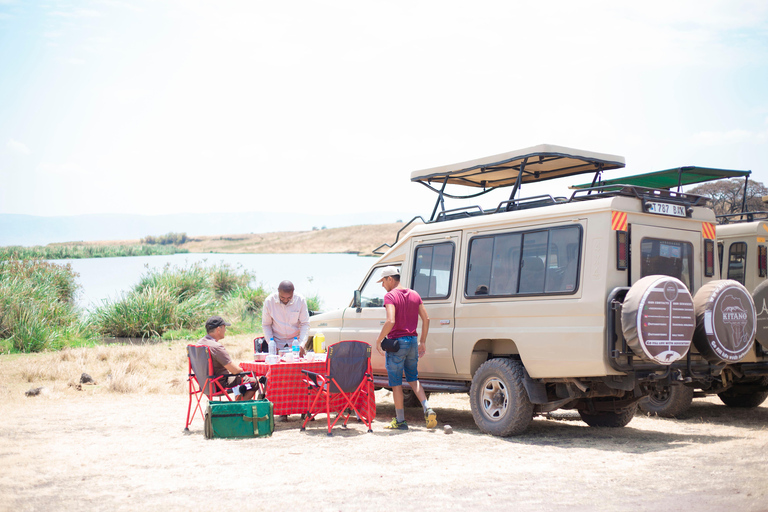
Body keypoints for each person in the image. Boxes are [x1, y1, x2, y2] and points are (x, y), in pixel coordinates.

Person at [374, 266, 437, 430]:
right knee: (413, 378)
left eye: (383, 282)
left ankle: (400, 420)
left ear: (390, 279)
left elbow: (390, 321)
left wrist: (379, 339)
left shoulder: (390, 296)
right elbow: (427, 319)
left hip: (397, 344)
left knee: (396, 383)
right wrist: (422, 342)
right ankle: (427, 408)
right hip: (412, 342)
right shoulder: (415, 294)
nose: (382, 286)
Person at [197, 316, 258, 401]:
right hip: (218, 384)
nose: (225, 330)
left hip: (204, 384)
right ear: (218, 329)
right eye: (224, 328)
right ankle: (237, 409)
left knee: (241, 380)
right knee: (253, 382)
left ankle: (236, 406)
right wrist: (244, 370)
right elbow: (235, 371)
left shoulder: (198, 344)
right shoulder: (216, 347)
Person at [261, 280, 310, 354]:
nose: (286, 300)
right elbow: (266, 324)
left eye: (289, 297)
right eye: (282, 297)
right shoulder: (269, 302)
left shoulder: (300, 300)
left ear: (293, 292)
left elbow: (305, 324)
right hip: (277, 343)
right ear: (278, 292)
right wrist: (272, 345)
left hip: (295, 343)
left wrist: (301, 345)